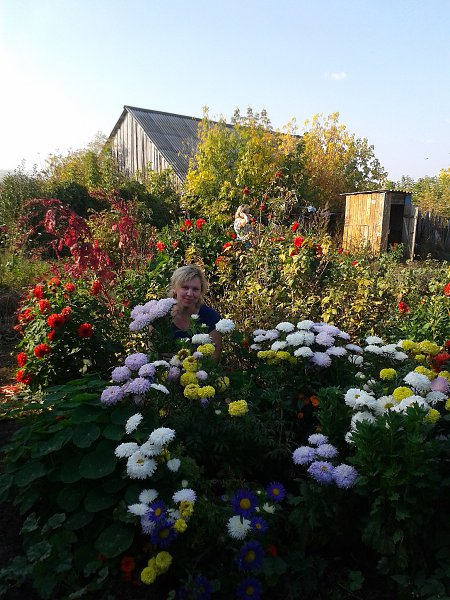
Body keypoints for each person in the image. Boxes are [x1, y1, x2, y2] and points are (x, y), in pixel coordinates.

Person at [169, 264, 222, 360]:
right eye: (185, 287)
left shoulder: (211, 318)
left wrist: (181, 360)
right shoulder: (160, 317)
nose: (190, 293)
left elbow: (214, 359)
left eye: (195, 289)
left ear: (201, 291)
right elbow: (154, 355)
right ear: (175, 289)